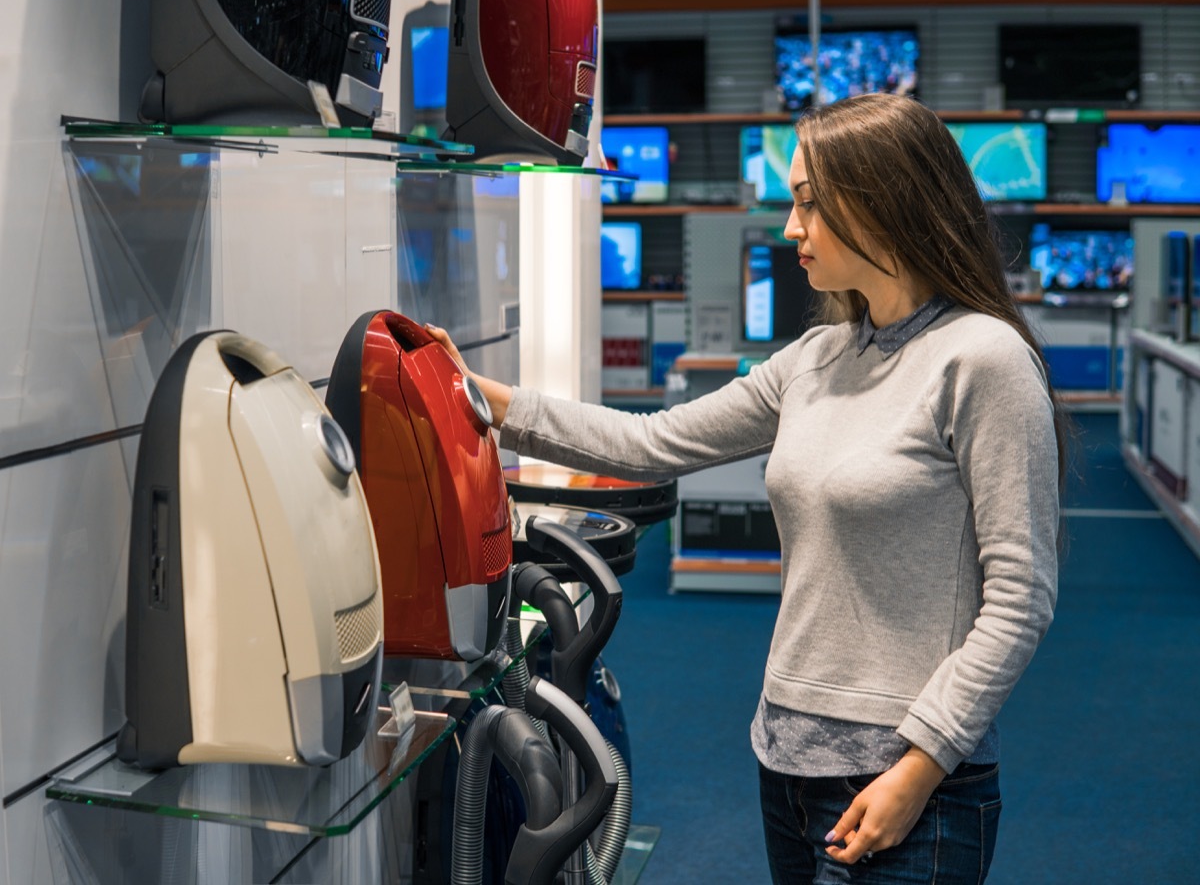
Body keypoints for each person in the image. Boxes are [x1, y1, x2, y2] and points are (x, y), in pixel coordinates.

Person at [425, 92, 1064, 884]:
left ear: (881, 200)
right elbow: (653, 439)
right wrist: (487, 400)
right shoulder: (819, 356)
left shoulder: (984, 361)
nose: (791, 227)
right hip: (787, 768)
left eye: (808, 203)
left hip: (906, 786)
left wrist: (922, 765)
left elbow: (1020, 596)